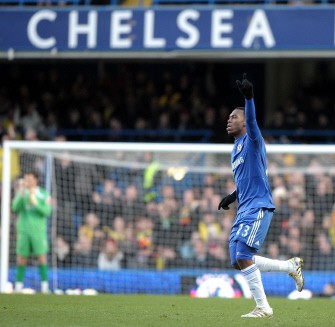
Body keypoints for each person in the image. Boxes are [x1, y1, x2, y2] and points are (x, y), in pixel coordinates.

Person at [218, 74, 304, 318]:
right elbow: (248, 178)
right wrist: (232, 196)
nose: (229, 120)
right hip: (244, 206)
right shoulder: (235, 149)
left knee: (244, 255)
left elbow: (253, 120)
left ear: (245, 123)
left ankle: (263, 307)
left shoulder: (253, 140)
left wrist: (249, 99)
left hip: (258, 206)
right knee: (237, 259)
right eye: (229, 117)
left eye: (234, 117)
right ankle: (290, 266)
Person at [12, 171, 52, 293]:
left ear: (35, 180)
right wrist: (20, 194)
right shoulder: (22, 193)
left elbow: (47, 212)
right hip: (24, 230)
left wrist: (36, 204)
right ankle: (18, 287)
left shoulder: (43, 194)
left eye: (29, 179)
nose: (26, 182)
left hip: (38, 231)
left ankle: (45, 287)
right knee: (21, 258)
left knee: (42, 258)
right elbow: (14, 208)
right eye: (25, 179)